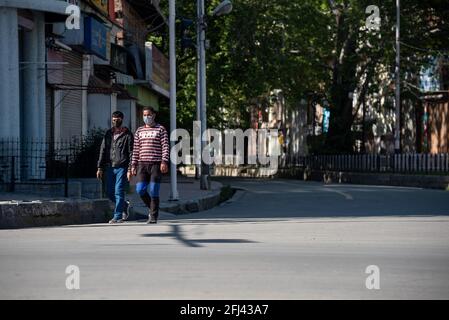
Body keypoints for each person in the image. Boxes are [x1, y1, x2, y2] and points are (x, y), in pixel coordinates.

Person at [128, 106, 169, 224]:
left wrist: (164, 161)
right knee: (140, 189)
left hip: (156, 164)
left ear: (154, 115)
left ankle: (153, 216)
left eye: (148, 115)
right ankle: (152, 208)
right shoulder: (139, 131)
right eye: (144, 115)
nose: (146, 117)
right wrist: (133, 165)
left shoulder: (161, 129)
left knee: (153, 189)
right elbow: (135, 149)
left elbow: (165, 146)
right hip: (142, 164)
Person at [96, 111, 134, 224]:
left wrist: (130, 168)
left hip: (122, 167)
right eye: (113, 119)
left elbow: (131, 152)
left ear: (122, 119)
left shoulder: (127, 134)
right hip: (109, 167)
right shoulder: (108, 133)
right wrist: (99, 167)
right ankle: (124, 205)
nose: (115, 121)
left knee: (118, 191)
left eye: (117, 119)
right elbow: (102, 150)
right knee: (108, 192)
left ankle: (117, 216)